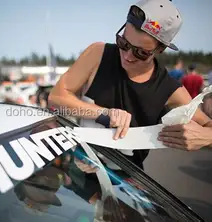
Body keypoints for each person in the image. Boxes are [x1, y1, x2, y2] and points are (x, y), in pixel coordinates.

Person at [48, 0, 212, 170]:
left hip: (126, 185)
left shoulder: (168, 88)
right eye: (124, 43)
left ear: (160, 50)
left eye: (141, 53)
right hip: (78, 171)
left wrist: (206, 136)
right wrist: (104, 113)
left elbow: (208, 125)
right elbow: (56, 97)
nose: (127, 56)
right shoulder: (98, 54)